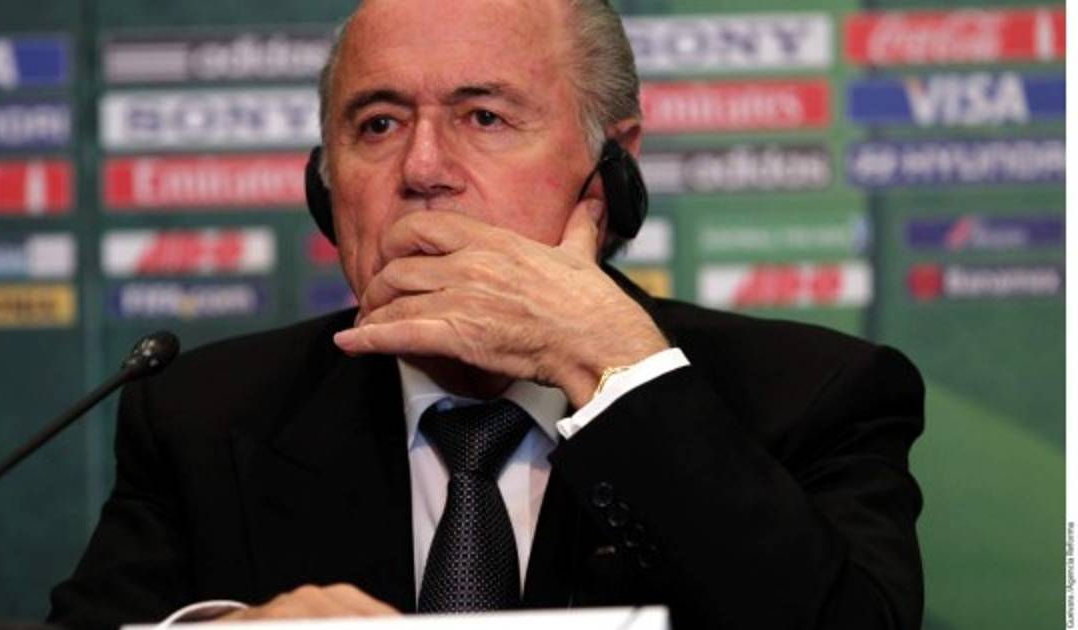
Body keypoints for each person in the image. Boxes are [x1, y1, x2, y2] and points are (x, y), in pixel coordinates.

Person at [49, 0, 925, 628]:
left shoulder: (811, 396)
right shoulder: (207, 415)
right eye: (379, 124)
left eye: (485, 116)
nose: (423, 169)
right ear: (326, 186)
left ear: (611, 170)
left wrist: (617, 369)